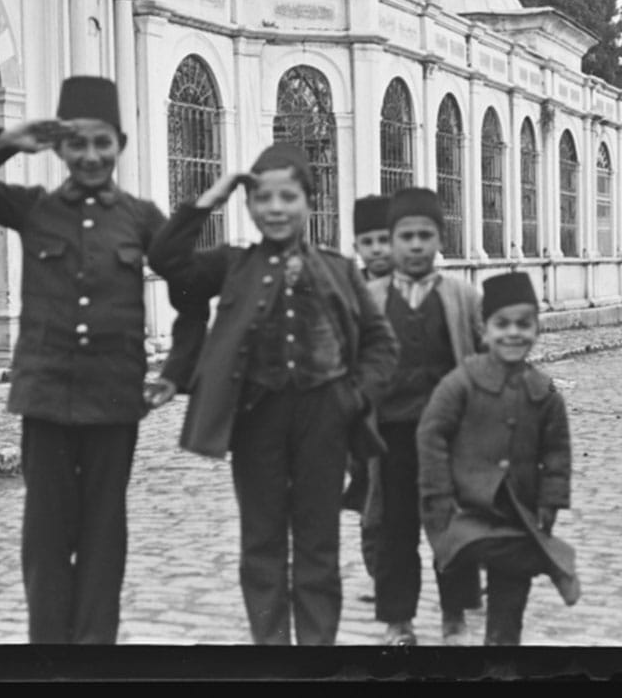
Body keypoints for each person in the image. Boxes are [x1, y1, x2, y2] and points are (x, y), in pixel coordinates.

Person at [0, 76, 163, 644]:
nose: (90, 155)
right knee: (47, 539)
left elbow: (191, 278)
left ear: (121, 144)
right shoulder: (31, 209)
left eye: (102, 142)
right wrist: (9, 139)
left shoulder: (141, 217)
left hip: (113, 401)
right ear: (57, 149)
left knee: (105, 538)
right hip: (47, 399)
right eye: (75, 143)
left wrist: (180, 370)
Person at [144, 143, 398, 645]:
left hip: (324, 418)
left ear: (309, 201)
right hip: (256, 418)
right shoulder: (232, 263)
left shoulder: (339, 268)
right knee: (261, 542)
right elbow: (166, 258)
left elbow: (380, 344)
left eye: (288, 197)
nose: (276, 209)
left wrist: (352, 397)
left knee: (318, 546)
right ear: (249, 206)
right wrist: (212, 195)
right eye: (262, 198)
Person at [417, 272, 581, 647]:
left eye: (524, 324)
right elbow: (432, 434)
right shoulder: (461, 382)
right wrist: (439, 496)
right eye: (501, 324)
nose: (513, 333)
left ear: (537, 329)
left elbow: (557, 450)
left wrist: (550, 503)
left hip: (518, 511)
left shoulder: (546, 390)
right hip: (465, 508)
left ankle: (501, 652)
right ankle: (457, 620)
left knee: (510, 595)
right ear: (485, 330)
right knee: (466, 558)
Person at [359, 187, 485, 646]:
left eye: (425, 235)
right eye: (405, 236)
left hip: (448, 438)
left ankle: (454, 620)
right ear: (390, 242)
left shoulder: (463, 296)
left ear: (440, 240)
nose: (415, 246)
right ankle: (399, 622)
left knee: (451, 526)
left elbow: (488, 358)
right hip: (389, 436)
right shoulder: (368, 297)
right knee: (394, 529)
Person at [342, 194, 394, 600]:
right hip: (367, 415)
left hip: (417, 412)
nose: (377, 249)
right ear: (357, 246)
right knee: (372, 500)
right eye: (368, 241)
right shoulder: (349, 291)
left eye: (384, 239)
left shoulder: (416, 286)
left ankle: (464, 572)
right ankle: (382, 577)